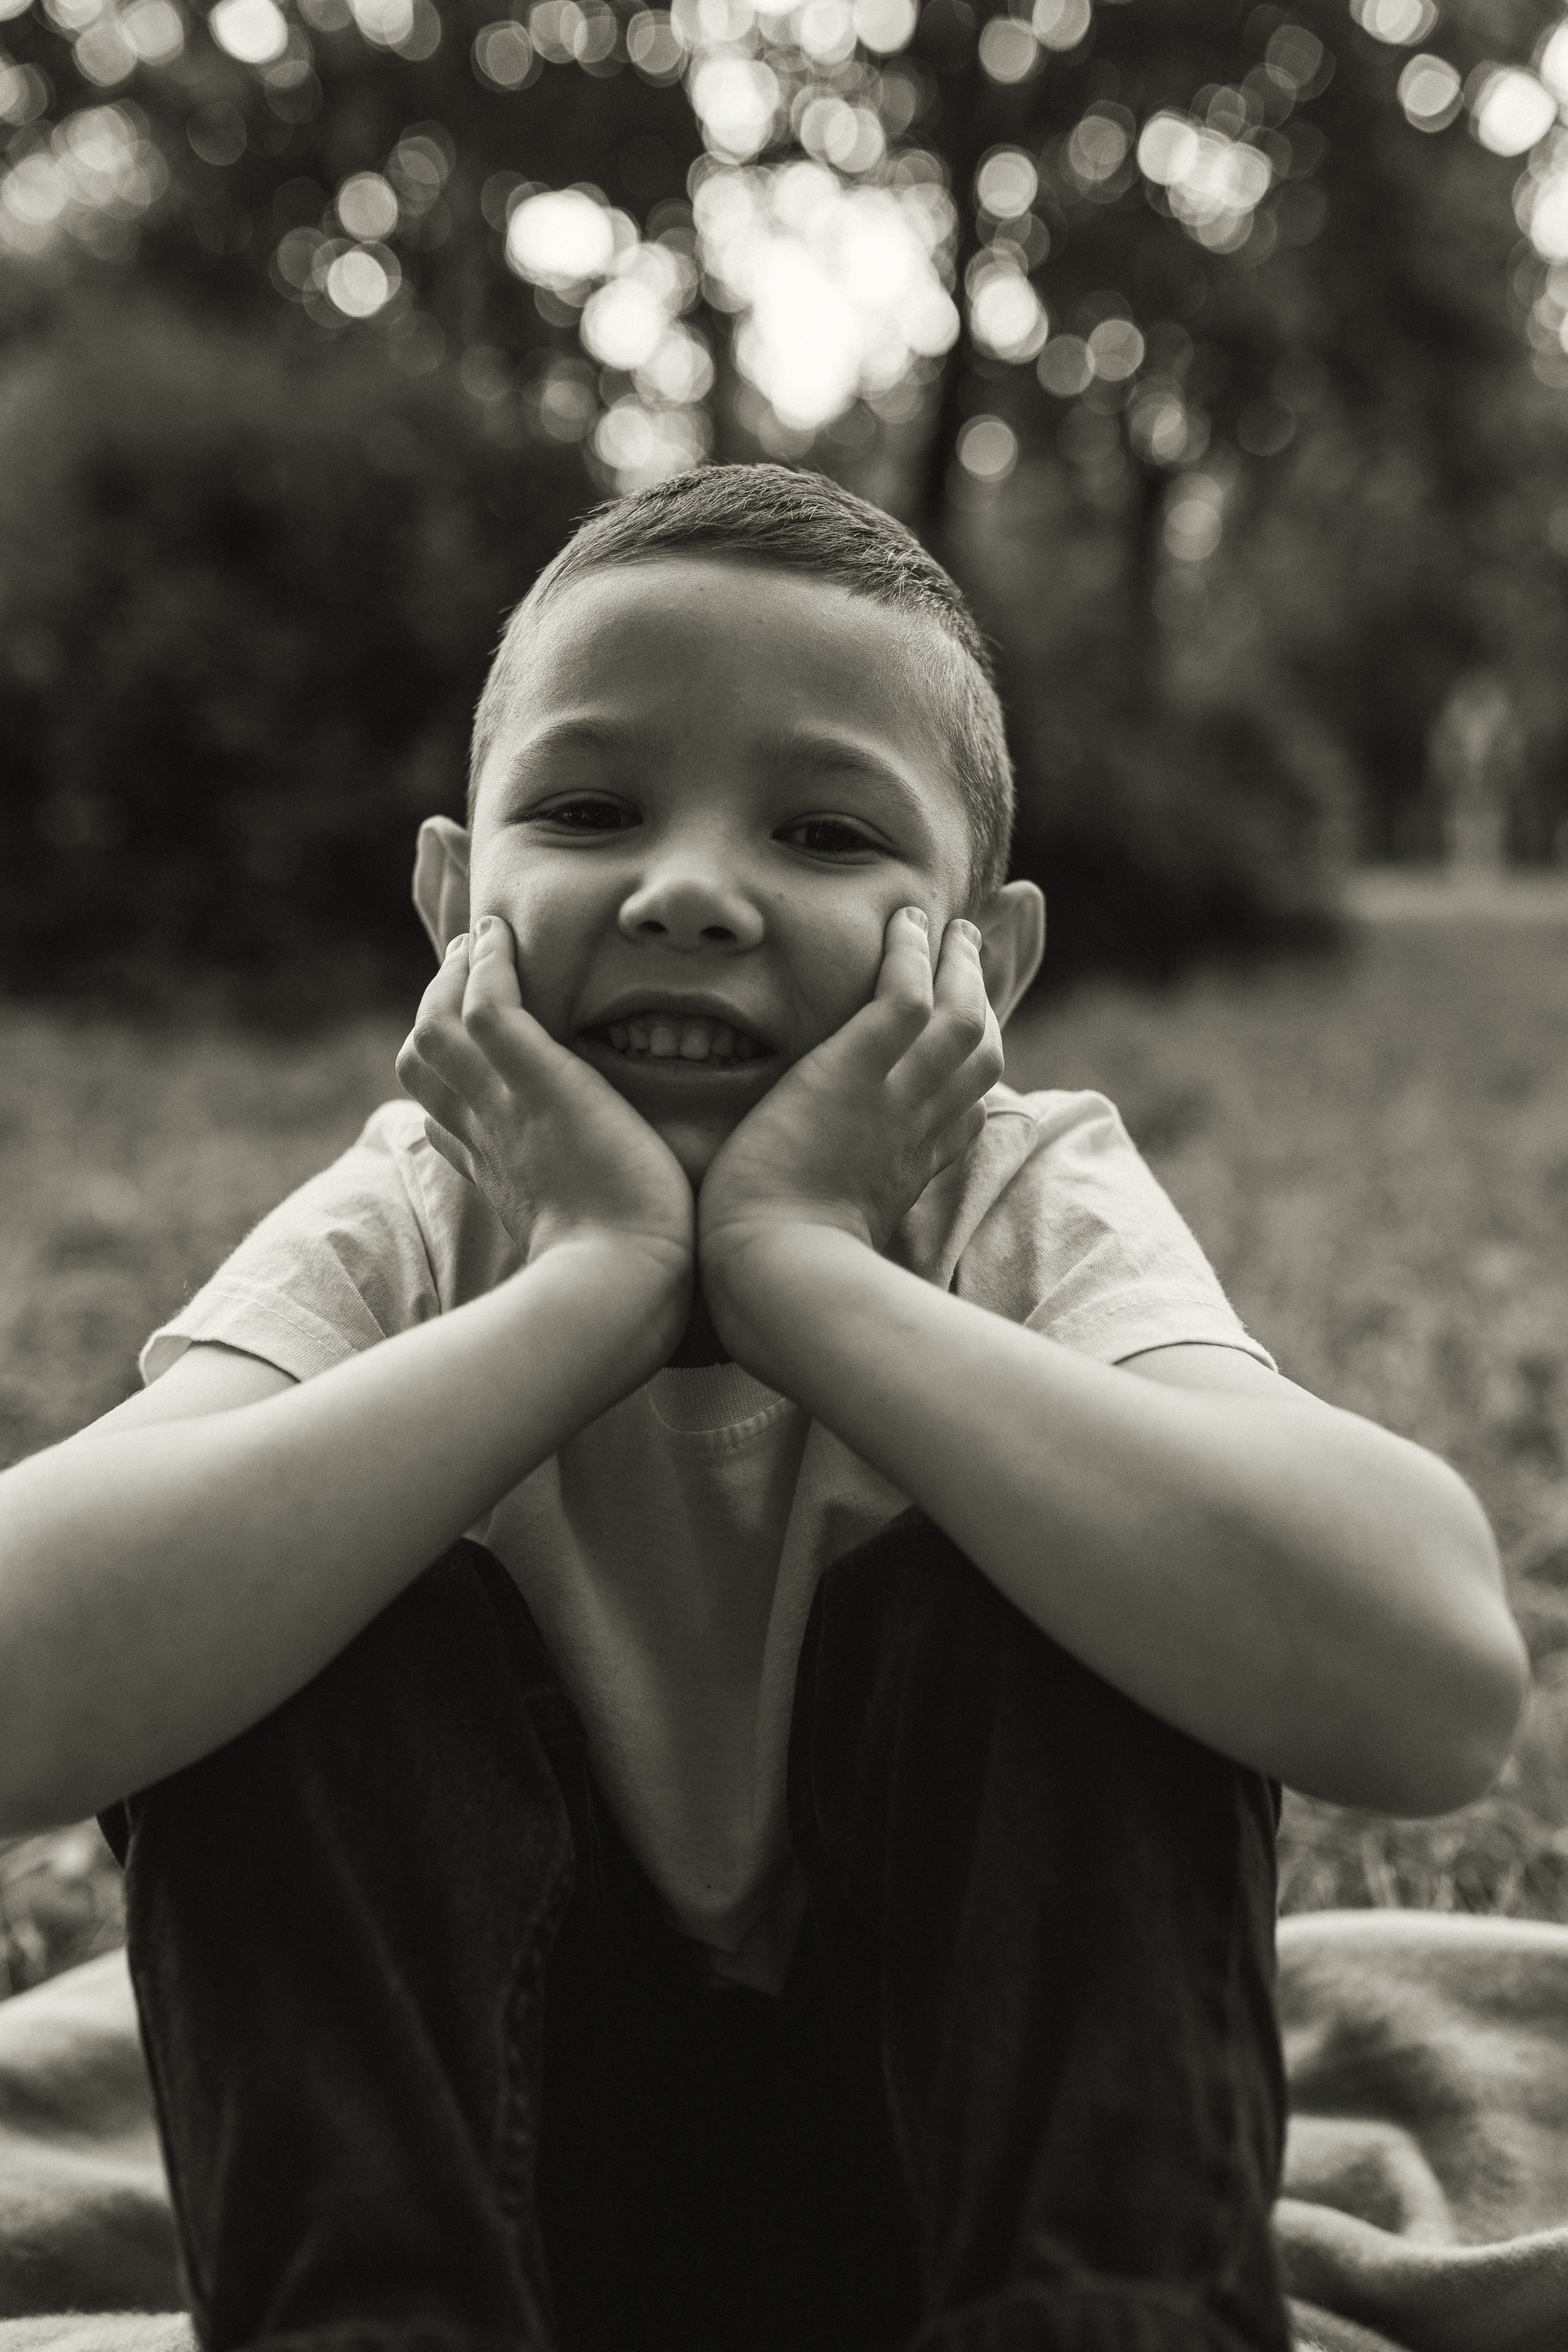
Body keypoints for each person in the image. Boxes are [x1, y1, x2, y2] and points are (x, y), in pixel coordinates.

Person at [0, 466, 1527, 2352]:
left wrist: (807, 1266)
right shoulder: (419, 1213)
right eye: (588, 809)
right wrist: (590, 1288)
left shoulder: (1012, 1197)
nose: (694, 890)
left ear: (989, 962)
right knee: (282, 1571)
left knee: (1079, 1582)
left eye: (821, 831)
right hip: (500, 2216)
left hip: (956, 2203)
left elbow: (1438, 1676)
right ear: (450, 901)